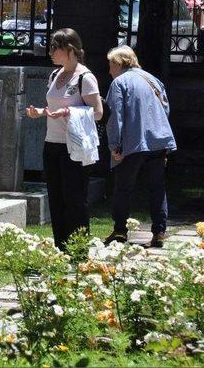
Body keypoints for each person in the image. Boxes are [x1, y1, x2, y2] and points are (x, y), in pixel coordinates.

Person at [26, 28, 103, 250]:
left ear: (69, 50)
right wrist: (40, 112)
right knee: (56, 199)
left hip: (74, 147)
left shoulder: (85, 78)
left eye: (54, 48)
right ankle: (61, 249)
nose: (50, 52)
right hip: (52, 143)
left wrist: (71, 113)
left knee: (75, 200)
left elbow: (97, 112)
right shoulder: (54, 75)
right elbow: (54, 107)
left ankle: (78, 251)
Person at [103, 46, 177, 248]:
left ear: (119, 63)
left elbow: (115, 116)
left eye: (110, 64)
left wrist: (114, 145)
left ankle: (120, 231)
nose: (109, 70)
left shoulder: (119, 82)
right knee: (157, 188)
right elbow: (165, 109)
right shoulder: (153, 80)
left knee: (123, 188)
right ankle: (159, 233)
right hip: (158, 141)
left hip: (132, 143)